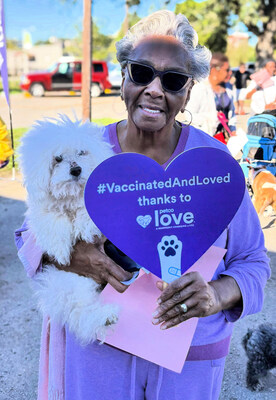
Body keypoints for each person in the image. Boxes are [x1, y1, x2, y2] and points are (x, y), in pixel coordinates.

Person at [15, 10, 270, 400]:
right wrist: (73, 257)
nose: (154, 88)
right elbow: (29, 235)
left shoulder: (215, 163)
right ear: (122, 80)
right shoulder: (80, 153)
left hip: (191, 357)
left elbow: (253, 260)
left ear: (188, 92)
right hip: (100, 348)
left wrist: (216, 295)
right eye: (141, 72)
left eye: (173, 80)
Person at [185, 53, 236, 142]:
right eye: (227, 70)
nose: (230, 73)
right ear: (214, 71)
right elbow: (189, 116)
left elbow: (232, 114)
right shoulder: (199, 89)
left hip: (223, 140)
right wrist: (212, 117)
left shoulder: (228, 89)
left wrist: (233, 129)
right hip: (203, 139)